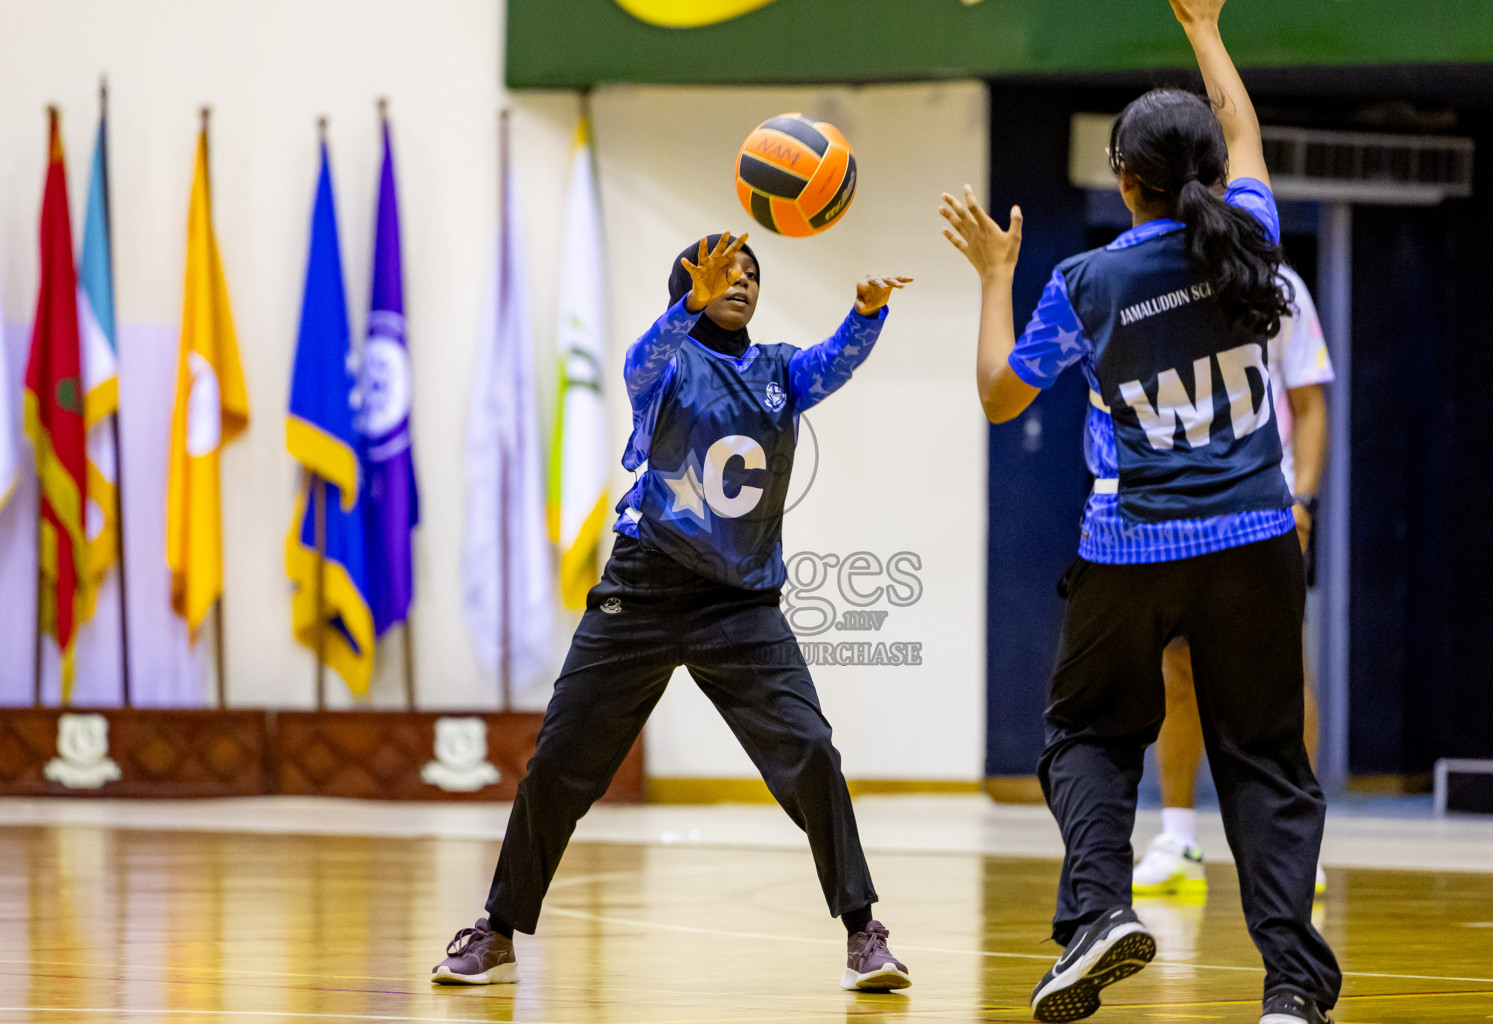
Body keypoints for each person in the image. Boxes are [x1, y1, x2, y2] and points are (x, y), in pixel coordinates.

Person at [939, 0, 1342, 1020]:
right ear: (1209, 173)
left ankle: (1100, 913)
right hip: (1256, 540)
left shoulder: (1085, 282)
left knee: (1086, 731)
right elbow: (1241, 128)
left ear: (1124, 179)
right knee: (1267, 765)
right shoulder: (1255, 239)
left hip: (1131, 543)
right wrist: (1206, 28)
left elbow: (998, 396)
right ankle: (1291, 989)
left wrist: (995, 277)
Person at [431, 231, 917, 994]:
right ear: (689, 284)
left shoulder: (778, 369)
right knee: (559, 762)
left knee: (812, 753)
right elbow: (639, 363)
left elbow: (833, 363)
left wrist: (864, 315)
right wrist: (682, 311)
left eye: (752, 273)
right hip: (643, 592)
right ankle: (496, 930)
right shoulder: (663, 365)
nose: (741, 281)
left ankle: (864, 932)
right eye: (724, 271)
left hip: (741, 603)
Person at [1134, 264, 1335, 898]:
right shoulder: (1155, 273)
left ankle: (1296, 841)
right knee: (1177, 665)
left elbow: (1308, 404)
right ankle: (1177, 835)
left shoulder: (1277, 285)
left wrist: (1303, 498)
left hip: (1264, 504)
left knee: (1283, 670)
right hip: (1180, 505)